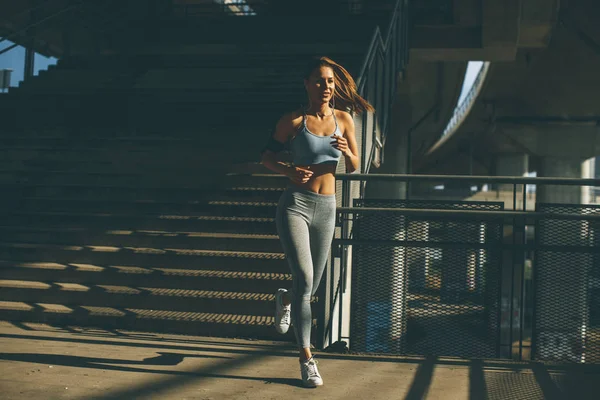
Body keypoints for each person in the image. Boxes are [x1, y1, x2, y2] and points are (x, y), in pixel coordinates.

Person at [260, 56, 374, 387]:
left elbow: (353, 165)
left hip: (327, 207)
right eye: (320, 81)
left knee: (308, 290)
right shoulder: (293, 121)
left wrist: (346, 151)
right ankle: (307, 358)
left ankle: (284, 298)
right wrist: (288, 170)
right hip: (295, 205)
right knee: (306, 280)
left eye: (330, 82)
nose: (326, 87)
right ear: (307, 85)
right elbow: (266, 156)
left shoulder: (344, 119)